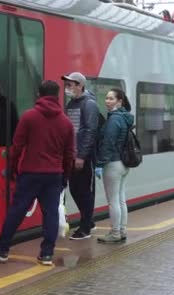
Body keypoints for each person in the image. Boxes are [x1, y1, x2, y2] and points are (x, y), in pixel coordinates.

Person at [0, 80, 75, 266]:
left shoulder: (29, 117)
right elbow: (69, 154)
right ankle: (47, 254)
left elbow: (17, 146)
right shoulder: (66, 123)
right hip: (54, 174)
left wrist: (12, 168)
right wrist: (65, 176)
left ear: (38, 95)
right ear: (57, 96)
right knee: (50, 214)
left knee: (17, 210)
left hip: (31, 172)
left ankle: (2, 249)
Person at [61, 72, 101, 240]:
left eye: (70, 85)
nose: (67, 88)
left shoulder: (89, 104)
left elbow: (90, 132)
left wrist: (82, 156)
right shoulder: (71, 104)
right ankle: (88, 221)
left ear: (79, 85)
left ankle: (85, 228)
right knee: (75, 189)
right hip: (73, 155)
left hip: (84, 157)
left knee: (84, 191)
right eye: (67, 84)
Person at [94, 88, 134, 244]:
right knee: (121, 199)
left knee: (113, 201)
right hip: (123, 164)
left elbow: (108, 144)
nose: (107, 101)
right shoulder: (124, 118)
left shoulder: (114, 120)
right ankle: (122, 230)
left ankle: (115, 232)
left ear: (119, 101)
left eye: (111, 98)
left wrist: (99, 164)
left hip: (112, 164)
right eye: (106, 98)